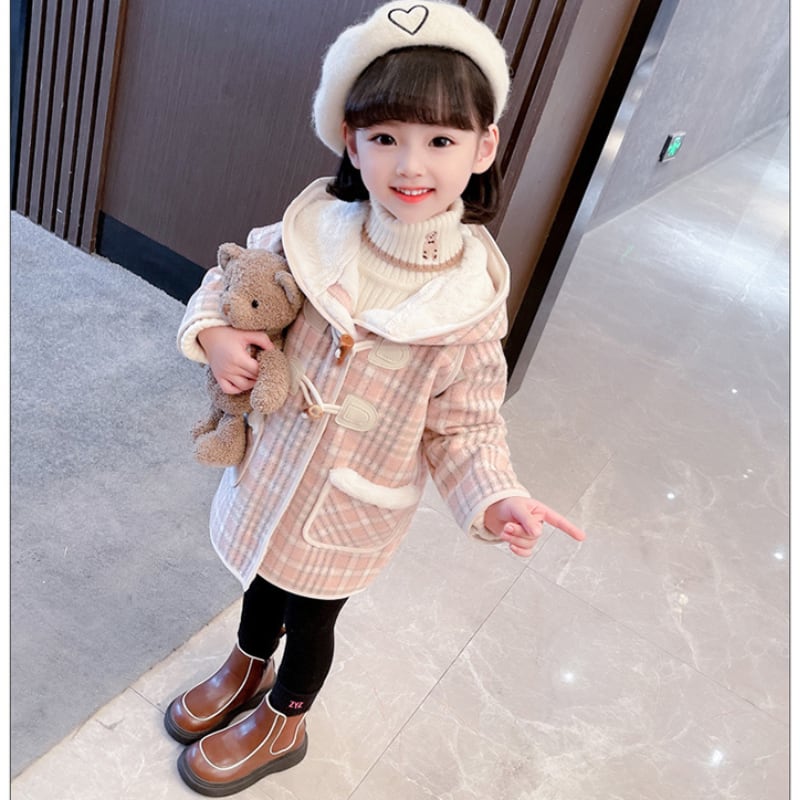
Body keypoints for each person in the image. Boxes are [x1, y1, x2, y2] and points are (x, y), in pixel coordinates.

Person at [169, 2, 586, 795]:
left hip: (351, 506)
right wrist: (214, 335)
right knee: (261, 580)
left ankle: (286, 715)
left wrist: (496, 496)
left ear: (484, 146)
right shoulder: (311, 232)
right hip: (272, 468)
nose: (410, 165)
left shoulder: (468, 303)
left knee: (312, 615)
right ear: (351, 141)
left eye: (441, 140)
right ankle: (246, 664)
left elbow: (466, 427)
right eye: (385, 137)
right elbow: (228, 285)